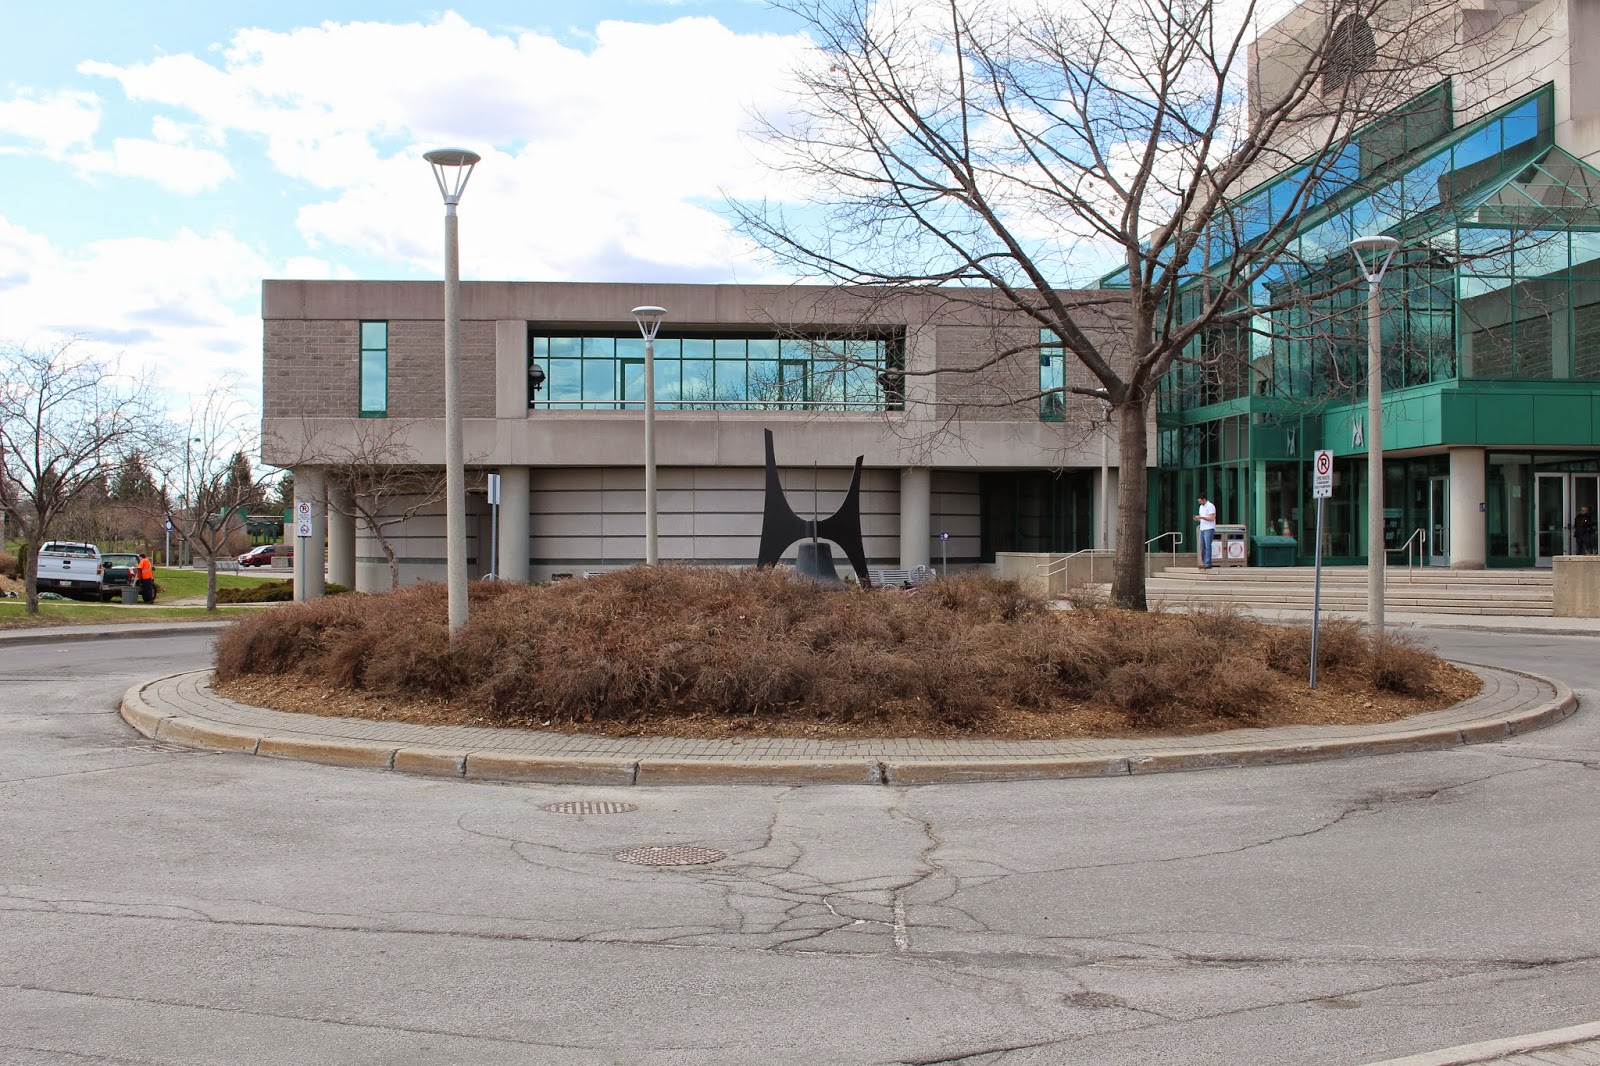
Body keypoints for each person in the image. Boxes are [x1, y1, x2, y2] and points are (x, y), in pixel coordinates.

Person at [1195, 494, 1218, 569]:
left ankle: (1208, 563)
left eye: (1200, 501)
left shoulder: (1210, 506)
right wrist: (1198, 518)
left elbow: (1212, 518)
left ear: (1204, 499)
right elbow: (1203, 518)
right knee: (1202, 546)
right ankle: (1204, 562)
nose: (1200, 502)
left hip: (1209, 528)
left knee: (1208, 546)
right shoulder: (1201, 507)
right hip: (1202, 528)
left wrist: (1201, 517)